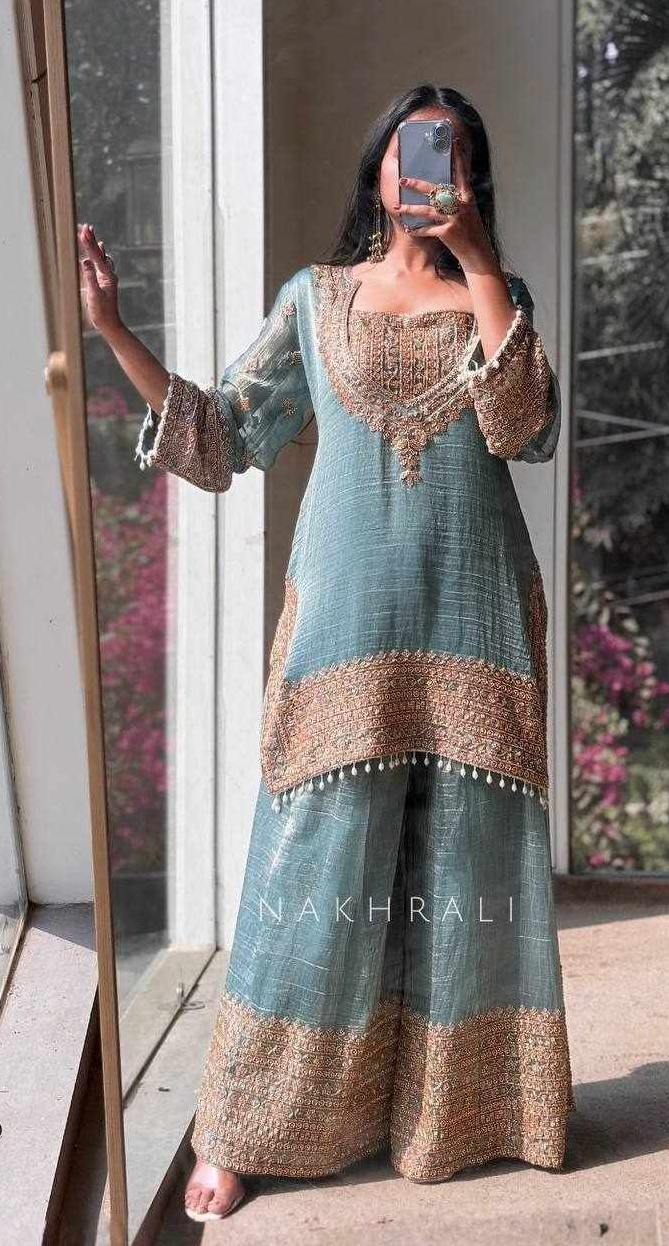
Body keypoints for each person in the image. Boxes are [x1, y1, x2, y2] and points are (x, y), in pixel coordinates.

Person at [77, 83, 574, 1225]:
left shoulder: (498, 300)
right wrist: (113, 331)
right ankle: (251, 1128)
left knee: (467, 871)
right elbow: (222, 437)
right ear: (379, 166)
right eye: (410, 149)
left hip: (475, 622)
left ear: (472, 177)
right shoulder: (315, 298)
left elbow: (527, 429)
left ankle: (464, 1116)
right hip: (343, 626)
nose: (426, 169)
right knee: (310, 876)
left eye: (450, 153)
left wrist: (479, 261)